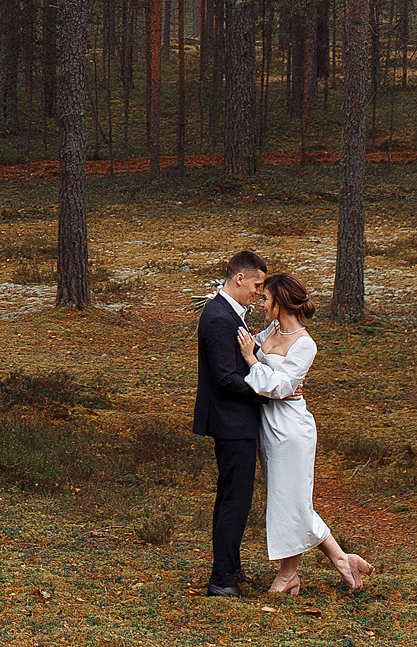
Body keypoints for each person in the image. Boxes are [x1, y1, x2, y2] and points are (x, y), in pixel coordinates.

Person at [239, 272, 374, 595]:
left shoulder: (305, 344)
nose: (262, 303)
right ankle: (342, 559)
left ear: (281, 302)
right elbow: (271, 378)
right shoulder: (271, 329)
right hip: (269, 426)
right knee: (290, 501)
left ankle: (289, 576)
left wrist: (251, 360)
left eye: (265, 299)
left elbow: (280, 386)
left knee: (291, 502)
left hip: (292, 431)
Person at [192, 249, 271, 596]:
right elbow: (225, 378)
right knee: (234, 501)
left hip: (234, 421)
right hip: (231, 422)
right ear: (239, 278)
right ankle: (221, 579)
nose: (258, 292)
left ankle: (231, 568)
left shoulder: (228, 313)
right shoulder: (220, 317)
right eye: (256, 285)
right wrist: (269, 393)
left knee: (234, 498)